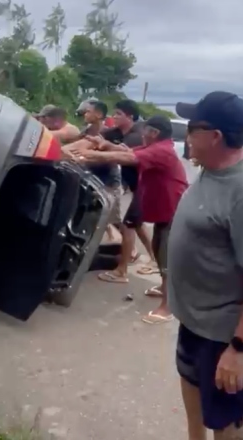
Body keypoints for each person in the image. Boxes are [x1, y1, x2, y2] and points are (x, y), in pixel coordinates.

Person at [167, 91, 243, 439]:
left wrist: (238, 350)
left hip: (223, 338)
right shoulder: (211, 170)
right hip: (194, 324)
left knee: (225, 428)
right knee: (194, 414)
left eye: (192, 128)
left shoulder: (239, 190)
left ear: (215, 136)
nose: (186, 135)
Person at [77, 114, 188, 323]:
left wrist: (91, 155)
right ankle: (164, 288)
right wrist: (106, 145)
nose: (142, 133)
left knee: (165, 256)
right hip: (165, 209)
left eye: (145, 130)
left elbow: (128, 159)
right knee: (158, 247)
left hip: (174, 210)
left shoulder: (162, 151)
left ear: (154, 132)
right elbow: (129, 152)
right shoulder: (156, 147)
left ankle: (168, 307)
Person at [95, 100, 158, 284]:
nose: (114, 117)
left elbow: (125, 156)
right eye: (114, 113)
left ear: (130, 117)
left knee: (128, 225)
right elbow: (100, 138)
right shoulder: (115, 132)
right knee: (136, 224)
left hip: (140, 186)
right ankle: (154, 258)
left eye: (118, 114)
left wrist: (98, 153)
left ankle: (122, 270)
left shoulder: (136, 137)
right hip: (129, 186)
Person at [64, 100, 125, 244]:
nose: (84, 114)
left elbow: (109, 159)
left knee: (113, 221)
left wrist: (83, 158)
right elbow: (75, 147)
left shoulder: (108, 134)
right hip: (91, 180)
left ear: (98, 114)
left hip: (109, 182)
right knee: (91, 216)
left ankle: (128, 250)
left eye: (88, 112)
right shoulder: (86, 131)